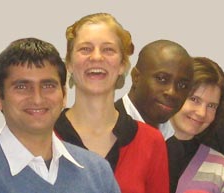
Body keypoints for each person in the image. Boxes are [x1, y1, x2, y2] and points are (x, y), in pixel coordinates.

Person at [0, 38, 120, 193]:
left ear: (64, 96)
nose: (37, 98)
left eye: (48, 85)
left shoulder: (97, 172)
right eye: (21, 87)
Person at [54, 13, 169, 193]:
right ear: (69, 62)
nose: (96, 57)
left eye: (108, 49)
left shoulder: (151, 142)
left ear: (122, 64)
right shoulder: (44, 136)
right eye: (85, 49)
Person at [167, 57, 224, 193]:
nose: (202, 113)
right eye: (195, 99)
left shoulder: (221, 169)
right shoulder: (140, 148)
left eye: (211, 106)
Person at [115, 39, 194, 139]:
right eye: (162, 79)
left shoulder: (174, 146)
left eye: (182, 85)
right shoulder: (106, 130)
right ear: (136, 77)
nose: (172, 92)